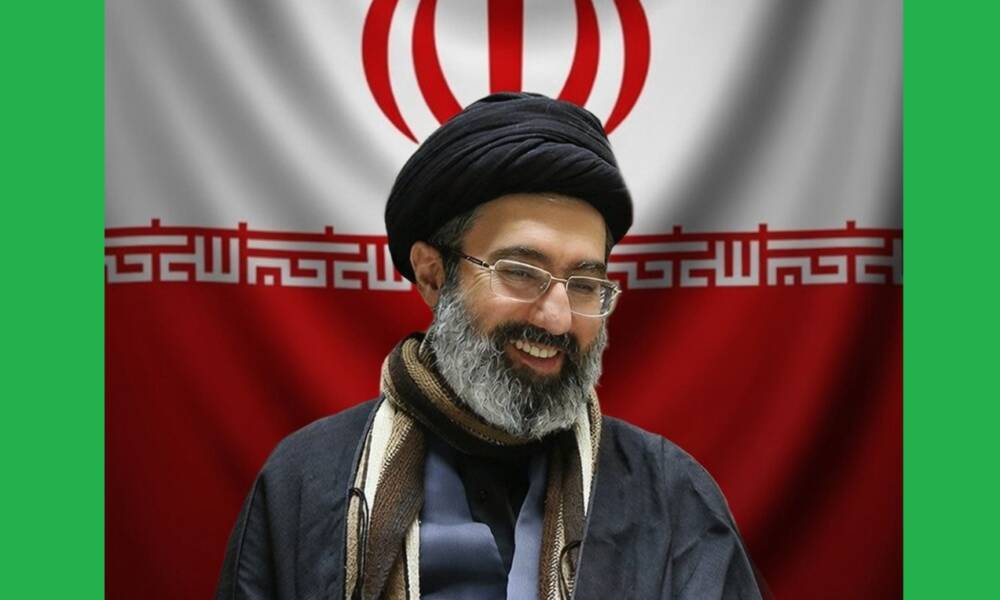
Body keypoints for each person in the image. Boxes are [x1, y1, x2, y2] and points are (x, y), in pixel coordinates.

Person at [216, 92, 764, 600]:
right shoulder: (303, 485)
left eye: (584, 284)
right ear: (433, 275)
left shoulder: (670, 495)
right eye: (521, 272)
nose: (557, 318)